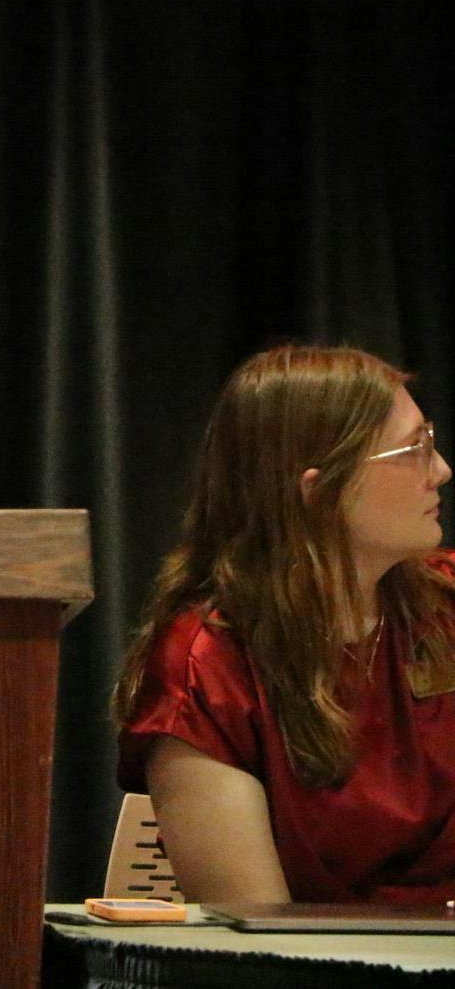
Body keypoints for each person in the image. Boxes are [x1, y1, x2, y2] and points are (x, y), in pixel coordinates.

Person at [114, 345, 455, 902]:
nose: (440, 470)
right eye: (414, 448)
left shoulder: (444, 600)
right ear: (318, 491)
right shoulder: (206, 668)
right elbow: (254, 931)